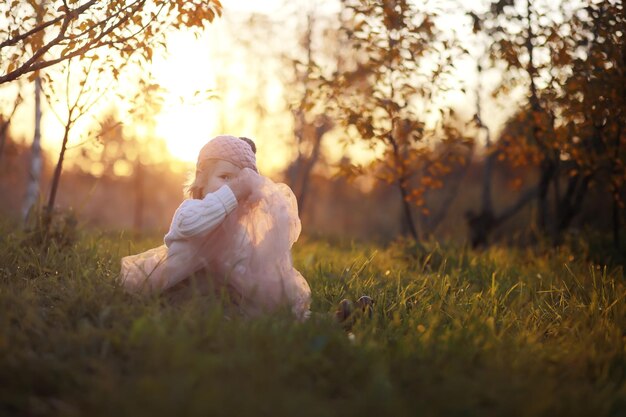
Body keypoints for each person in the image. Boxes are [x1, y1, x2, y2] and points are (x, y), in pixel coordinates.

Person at [120, 135, 312, 321]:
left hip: (222, 298)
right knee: (195, 308)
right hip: (179, 289)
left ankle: (315, 320)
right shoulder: (190, 210)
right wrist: (235, 190)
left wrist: (274, 233)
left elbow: (254, 264)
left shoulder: (240, 231)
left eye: (239, 181)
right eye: (225, 177)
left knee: (267, 304)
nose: (233, 186)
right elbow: (192, 225)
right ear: (201, 179)